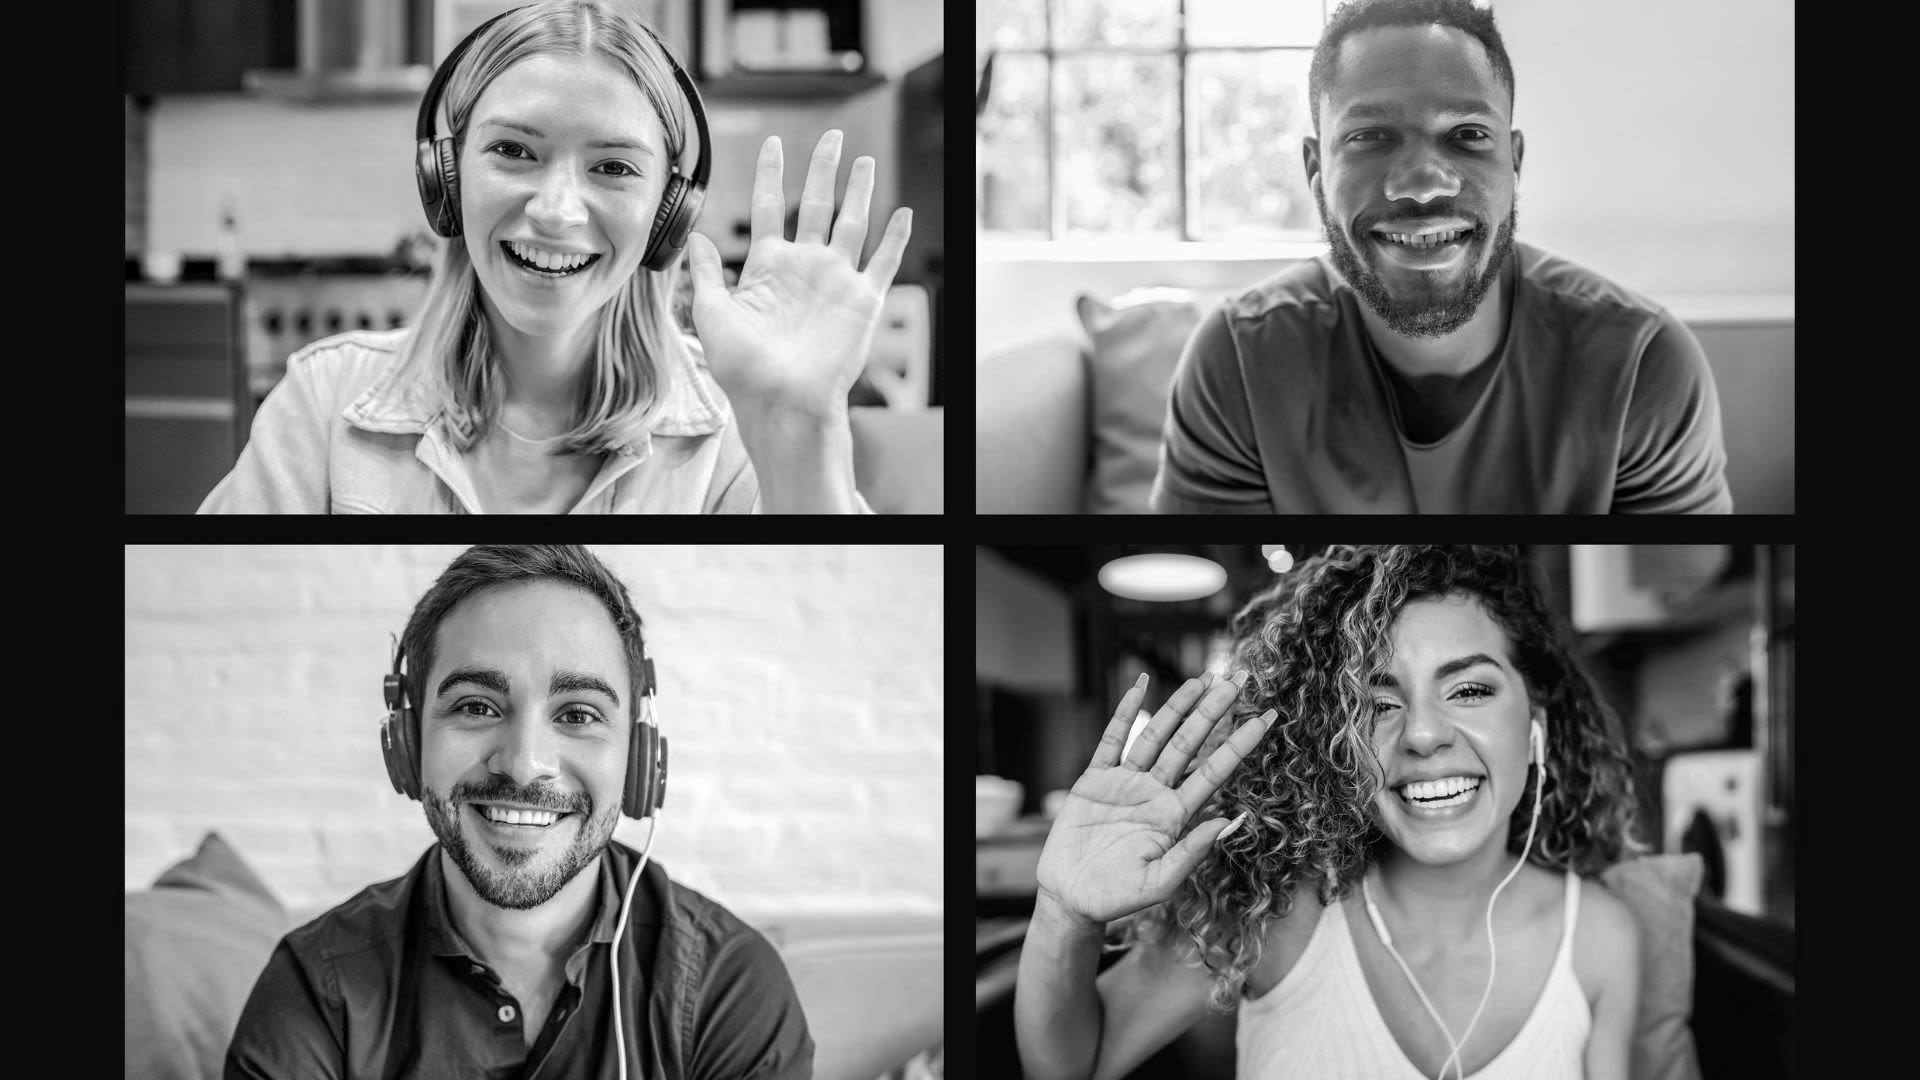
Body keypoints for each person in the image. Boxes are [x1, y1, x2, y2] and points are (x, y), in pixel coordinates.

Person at [200, 0, 910, 513]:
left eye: (613, 168)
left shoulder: (733, 427)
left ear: (670, 212)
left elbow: (809, 624)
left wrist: (801, 426)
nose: (556, 209)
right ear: (446, 178)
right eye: (513, 151)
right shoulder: (323, 405)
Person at [1016, 546, 1646, 1080]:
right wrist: (1064, 913)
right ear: (1335, 744)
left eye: (1470, 689)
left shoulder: (1600, 937)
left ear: (1535, 728)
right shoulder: (1278, 912)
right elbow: (1072, 1065)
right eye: (1375, 704)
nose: (1423, 734)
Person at [225, 545, 812, 1078]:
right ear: (407, 743)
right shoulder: (315, 988)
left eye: (577, 715)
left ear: (639, 757)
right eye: (477, 706)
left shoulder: (726, 987)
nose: (524, 764)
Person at [1151, 0, 1730, 514]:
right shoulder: (1237, 363)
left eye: (1468, 135)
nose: (1424, 185)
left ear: (1515, 162)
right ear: (1316, 172)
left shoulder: (1644, 367)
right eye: (1371, 137)